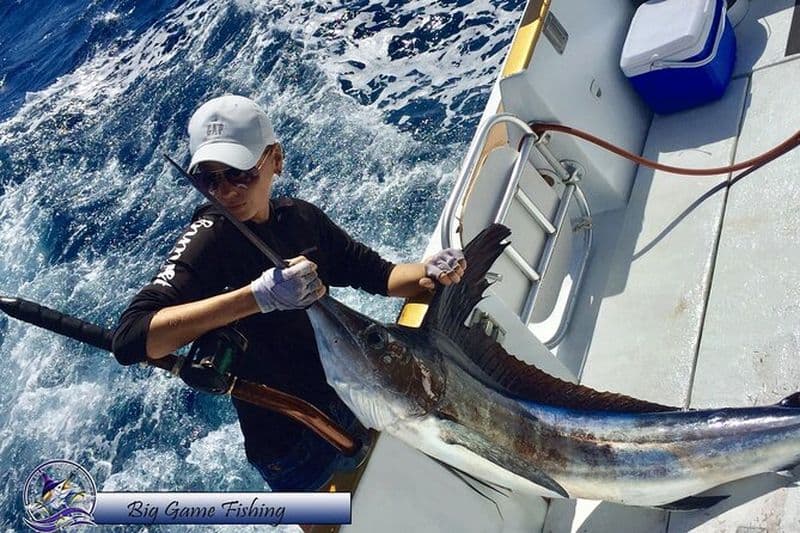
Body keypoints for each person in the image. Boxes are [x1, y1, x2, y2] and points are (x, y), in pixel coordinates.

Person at [112, 94, 466, 491]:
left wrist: (431, 270)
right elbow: (132, 339)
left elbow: (381, 276)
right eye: (208, 179)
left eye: (238, 172)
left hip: (356, 398)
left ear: (275, 159)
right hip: (289, 450)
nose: (224, 191)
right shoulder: (207, 241)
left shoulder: (302, 219)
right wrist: (256, 297)